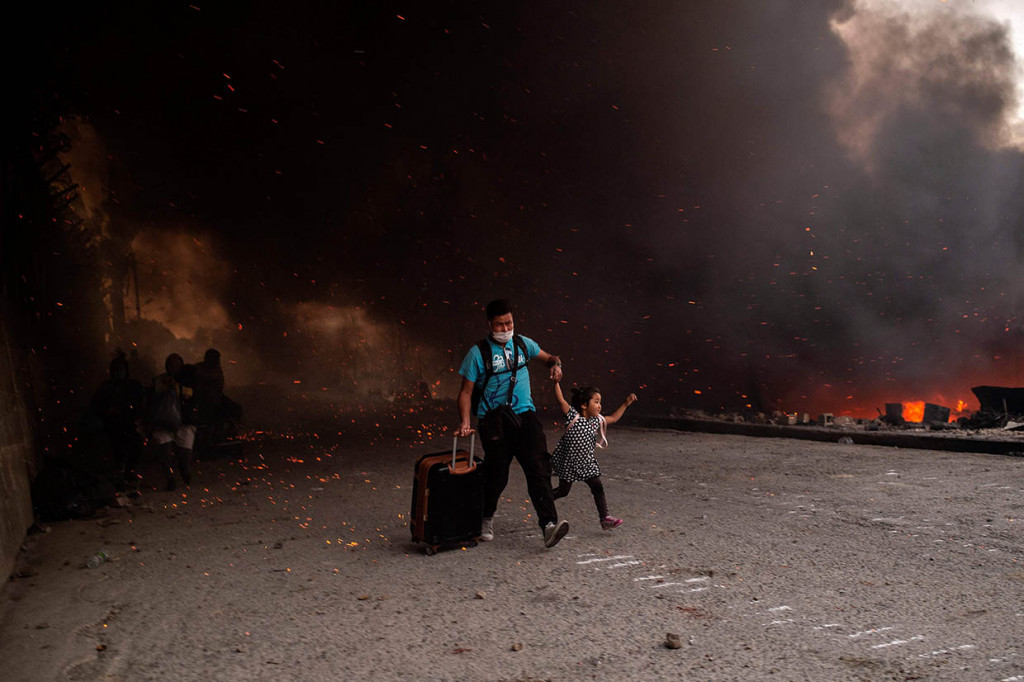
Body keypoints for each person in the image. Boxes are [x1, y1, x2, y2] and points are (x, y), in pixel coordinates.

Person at [455, 299, 569, 548]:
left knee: (539, 470)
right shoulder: (478, 353)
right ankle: (485, 517)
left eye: (509, 322)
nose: (505, 327)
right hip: (494, 422)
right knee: (497, 475)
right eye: (500, 323)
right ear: (490, 324)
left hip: (525, 416)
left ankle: (549, 525)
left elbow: (550, 357)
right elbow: (465, 392)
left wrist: (556, 366)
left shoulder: (522, 344)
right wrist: (465, 421)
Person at [550, 382, 637, 530]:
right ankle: (544, 498)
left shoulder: (595, 421)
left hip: (586, 464)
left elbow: (613, 418)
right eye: (596, 402)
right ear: (584, 405)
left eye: (600, 402)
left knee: (597, 486)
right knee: (563, 491)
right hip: (569, 464)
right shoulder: (573, 417)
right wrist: (556, 382)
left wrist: (626, 403)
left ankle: (605, 518)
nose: (599, 406)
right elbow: (561, 400)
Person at [87, 352, 146, 495]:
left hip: (131, 426)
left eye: (121, 369)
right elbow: (96, 407)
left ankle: (130, 478)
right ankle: (118, 481)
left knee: (135, 449)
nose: (119, 372)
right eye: (116, 369)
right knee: (116, 454)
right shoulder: (105, 388)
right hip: (112, 427)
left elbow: (142, 403)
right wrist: (108, 412)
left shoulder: (133, 385)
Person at [147, 353, 197, 490]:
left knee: (185, 457)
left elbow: (191, 397)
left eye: (176, 365)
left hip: (184, 422)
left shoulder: (188, 380)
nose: (173, 368)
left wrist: (177, 386)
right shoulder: (159, 381)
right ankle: (170, 478)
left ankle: (185, 470)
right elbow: (153, 399)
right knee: (165, 452)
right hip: (163, 421)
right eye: (170, 365)